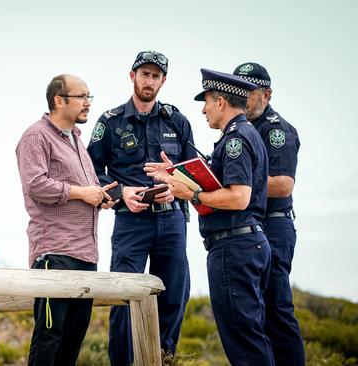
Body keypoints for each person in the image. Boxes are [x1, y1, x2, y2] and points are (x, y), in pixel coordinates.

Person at [146, 68, 273, 365]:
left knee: (244, 340)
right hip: (246, 245)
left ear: (220, 102)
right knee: (251, 336)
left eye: (206, 101)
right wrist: (176, 175)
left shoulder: (235, 139)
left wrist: (190, 195)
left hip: (234, 247)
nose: (202, 109)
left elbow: (239, 197)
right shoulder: (245, 134)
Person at [87, 50, 197, 365]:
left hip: (172, 221)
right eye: (144, 74)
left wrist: (174, 185)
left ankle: (162, 359)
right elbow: (90, 169)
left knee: (174, 294)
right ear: (132, 76)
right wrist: (122, 191)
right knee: (122, 296)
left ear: (163, 81)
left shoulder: (177, 121)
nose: (149, 81)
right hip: (130, 222)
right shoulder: (110, 121)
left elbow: (195, 172)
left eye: (155, 76)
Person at [16, 74, 118, 366]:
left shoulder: (76, 138)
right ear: (59, 101)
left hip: (86, 254)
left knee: (73, 340)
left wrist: (100, 196)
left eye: (90, 97)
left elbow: (83, 191)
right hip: (54, 254)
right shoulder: (36, 136)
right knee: (49, 337)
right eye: (82, 96)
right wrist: (82, 193)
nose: (88, 103)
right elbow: (36, 185)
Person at [234, 62, 305, 365]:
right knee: (256, 313)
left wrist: (236, 183)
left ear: (267, 94)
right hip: (252, 228)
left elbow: (284, 185)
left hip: (274, 227)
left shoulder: (277, 130)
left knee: (277, 310)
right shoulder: (242, 129)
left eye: (250, 92)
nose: (245, 99)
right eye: (240, 92)